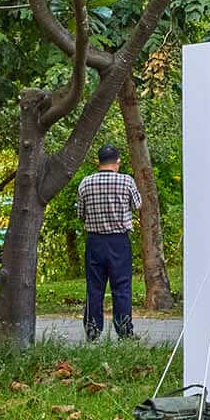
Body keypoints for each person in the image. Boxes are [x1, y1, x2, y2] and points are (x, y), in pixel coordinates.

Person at [76, 145, 142, 340]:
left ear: (98, 162)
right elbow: (138, 205)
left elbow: (81, 213)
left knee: (94, 287)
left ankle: (93, 329)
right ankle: (124, 330)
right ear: (118, 161)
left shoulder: (86, 183)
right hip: (119, 241)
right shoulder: (126, 181)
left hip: (95, 241)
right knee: (121, 287)